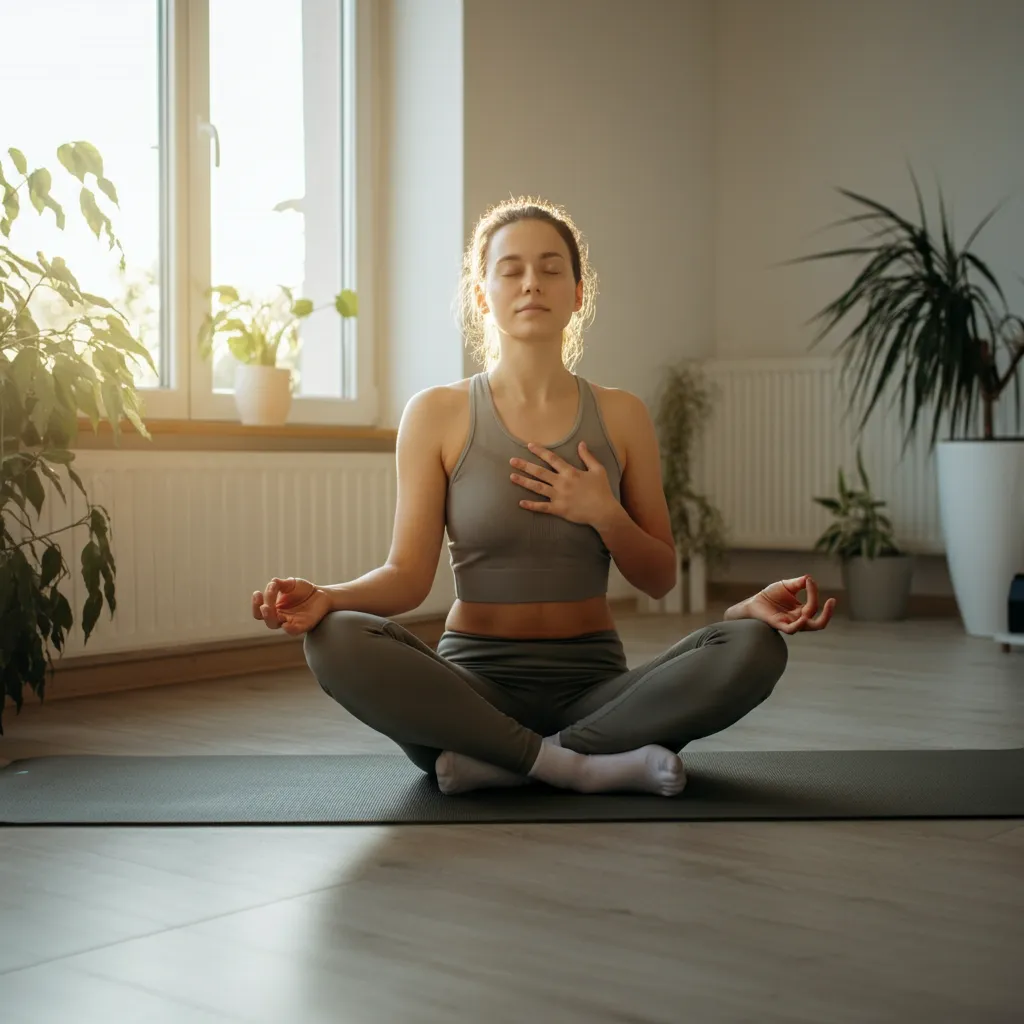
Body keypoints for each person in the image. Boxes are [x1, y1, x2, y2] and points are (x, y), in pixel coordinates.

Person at [252, 196, 835, 798]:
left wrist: (605, 514)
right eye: (511, 269)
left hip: (596, 691)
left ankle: (511, 760)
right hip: (473, 689)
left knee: (755, 646)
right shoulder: (437, 414)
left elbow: (659, 576)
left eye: (552, 268)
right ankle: (573, 764)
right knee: (336, 637)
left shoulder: (621, 414)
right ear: (483, 294)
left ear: (579, 292)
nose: (532, 283)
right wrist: (326, 597)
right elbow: (407, 577)